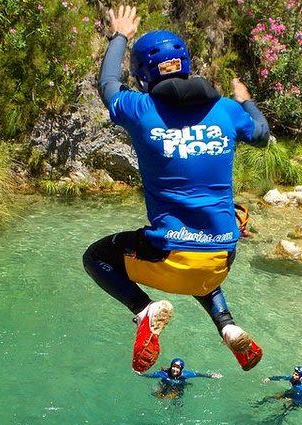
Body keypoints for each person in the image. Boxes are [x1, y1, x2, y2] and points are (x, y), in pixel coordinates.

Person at [82, 5, 270, 374]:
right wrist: (246, 99)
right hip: (220, 260)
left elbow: (106, 85)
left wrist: (119, 34)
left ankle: (144, 309)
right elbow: (261, 134)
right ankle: (228, 326)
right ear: (185, 63)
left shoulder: (140, 108)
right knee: (199, 258)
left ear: (140, 74)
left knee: (96, 257)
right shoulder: (229, 111)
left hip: (170, 256)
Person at [137, 357, 223, 398]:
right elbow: (151, 375)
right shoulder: (164, 374)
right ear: (171, 366)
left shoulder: (185, 374)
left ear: (181, 369)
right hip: (165, 384)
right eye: (173, 366)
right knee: (159, 395)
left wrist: (212, 376)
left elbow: (199, 374)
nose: (175, 369)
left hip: (179, 386)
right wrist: (140, 374)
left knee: (176, 398)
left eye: (178, 367)